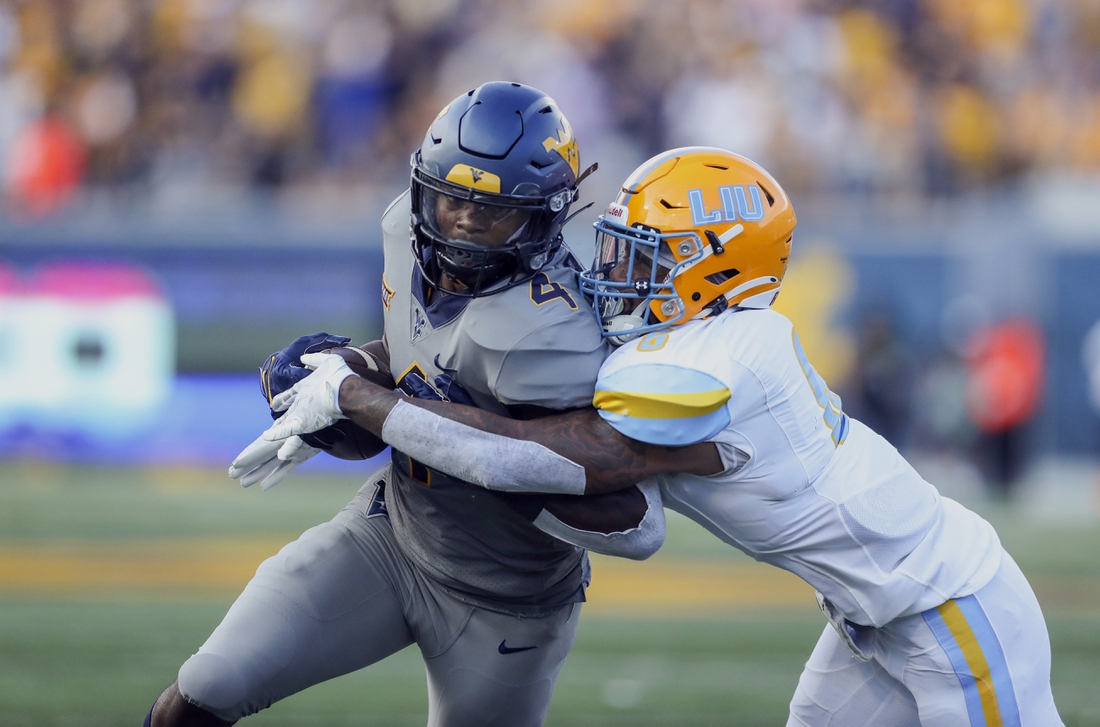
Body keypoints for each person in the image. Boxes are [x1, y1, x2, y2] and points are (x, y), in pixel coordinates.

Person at [268, 147, 1064, 726]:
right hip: (868, 618)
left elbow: (545, 454)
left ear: (716, 268)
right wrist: (366, 367)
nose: (613, 271)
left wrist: (364, 399)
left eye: (644, 256)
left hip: (948, 603)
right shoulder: (687, 343)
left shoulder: (729, 353)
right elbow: (592, 483)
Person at [146, 82, 668, 727]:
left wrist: (393, 409)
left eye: (496, 210)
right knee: (203, 689)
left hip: (507, 598)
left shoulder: (556, 333)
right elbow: (415, 356)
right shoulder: (402, 227)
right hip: (390, 534)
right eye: (452, 200)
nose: (467, 220)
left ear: (544, 214)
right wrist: (350, 371)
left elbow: (619, 506)